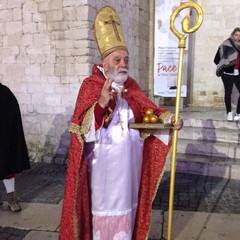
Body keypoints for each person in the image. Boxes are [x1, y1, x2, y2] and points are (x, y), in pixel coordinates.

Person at [59, 6, 183, 240]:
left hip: (129, 172)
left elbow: (152, 113)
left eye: (126, 59)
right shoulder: (90, 86)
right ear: (104, 64)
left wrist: (170, 121)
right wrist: (100, 105)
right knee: (101, 224)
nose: (123, 63)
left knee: (127, 222)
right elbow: (80, 133)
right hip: (102, 173)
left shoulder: (132, 87)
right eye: (117, 59)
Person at [0, 83, 30, 212]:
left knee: (7, 170)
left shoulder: (5, 93)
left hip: (4, 139)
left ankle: (12, 199)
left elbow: (13, 117)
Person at [214, 27, 240, 121]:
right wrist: (225, 63)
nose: (238, 37)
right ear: (232, 35)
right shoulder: (225, 45)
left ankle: (238, 113)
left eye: (239, 35)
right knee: (228, 93)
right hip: (227, 74)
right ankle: (229, 112)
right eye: (236, 35)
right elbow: (216, 60)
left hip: (238, 74)